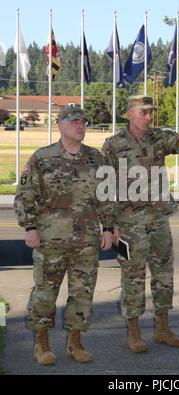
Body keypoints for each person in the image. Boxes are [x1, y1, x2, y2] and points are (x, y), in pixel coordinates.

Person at [14, 105, 116, 365]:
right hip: (51, 239)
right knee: (45, 291)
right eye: (74, 121)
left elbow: (105, 198)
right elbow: (25, 196)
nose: (80, 125)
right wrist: (29, 227)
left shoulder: (96, 159)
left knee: (82, 291)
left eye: (83, 121)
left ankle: (75, 342)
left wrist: (107, 228)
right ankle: (42, 343)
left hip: (87, 240)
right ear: (60, 125)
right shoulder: (43, 158)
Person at [101, 95, 179, 353]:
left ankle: (163, 328)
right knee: (132, 276)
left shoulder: (159, 137)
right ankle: (134, 331)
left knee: (164, 273)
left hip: (158, 219)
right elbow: (105, 187)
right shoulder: (114, 144)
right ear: (130, 114)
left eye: (150, 112)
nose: (148, 116)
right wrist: (110, 226)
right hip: (128, 223)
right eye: (143, 112)